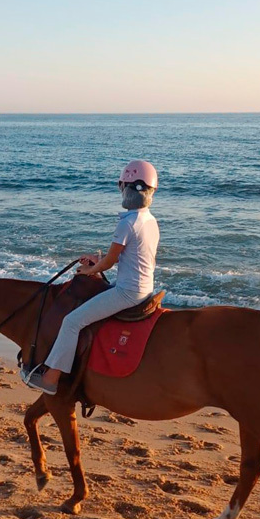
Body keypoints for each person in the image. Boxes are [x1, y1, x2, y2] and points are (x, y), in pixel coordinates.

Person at [23, 160, 160, 394]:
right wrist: (98, 263)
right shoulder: (150, 220)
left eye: (122, 186)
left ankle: (51, 379)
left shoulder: (127, 223)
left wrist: (90, 270)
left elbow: (110, 261)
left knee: (72, 321)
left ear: (126, 188)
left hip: (127, 292)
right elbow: (125, 257)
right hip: (143, 287)